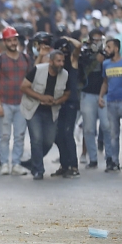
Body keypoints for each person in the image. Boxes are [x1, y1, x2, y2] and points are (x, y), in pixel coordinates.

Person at [20, 50, 70, 180]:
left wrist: (56, 101)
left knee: (48, 141)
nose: (61, 64)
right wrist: (41, 97)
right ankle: (38, 170)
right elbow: (24, 87)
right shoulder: (38, 70)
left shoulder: (65, 75)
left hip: (51, 111)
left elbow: (67, 93)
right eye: (58, 61)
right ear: (51, 61)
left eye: (63, 61)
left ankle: (32, 162)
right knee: (36, 139)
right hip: (34, 109)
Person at [0, 27, 30, 176]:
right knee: (5, 135)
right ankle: (4, 163)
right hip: (5, 102)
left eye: (14, 39)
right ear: (5, 42)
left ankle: (16, 163)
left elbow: (30, 79)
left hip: (21, 102)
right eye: (10, 40)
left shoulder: (25, 58)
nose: (13, 43)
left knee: (20, 135)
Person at [98, 39, 122, 173]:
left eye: (108, 47)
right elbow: (105, 82)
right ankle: (114, 161)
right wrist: (100, 96)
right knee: (113, 134)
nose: (106, 50)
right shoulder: (105, 64)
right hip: (111, 102)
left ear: (116, 48)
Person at [79, 29, 113, 169]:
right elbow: (80, 67)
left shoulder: (108, 54)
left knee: (106, 126)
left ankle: (110, 156)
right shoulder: (85, 54)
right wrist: (92, 57)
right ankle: (92, 158)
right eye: (95, 40)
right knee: (88, 128)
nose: (98, 43)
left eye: (100, 40)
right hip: (87, 94)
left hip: (104, 94)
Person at [51, 36, 81, 178]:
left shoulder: (72, 62)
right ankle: (64, 164)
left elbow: (79, 46)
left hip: (70, 102)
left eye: (65, 49)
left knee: (67, 133)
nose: (64, 52)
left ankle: (74, 166)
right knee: (58, 135)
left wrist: (67, 38)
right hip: (58, 102)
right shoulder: (55, 64)